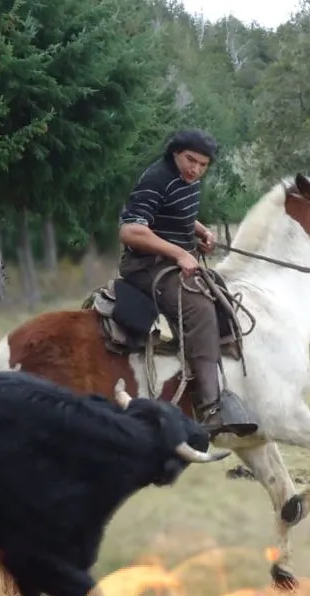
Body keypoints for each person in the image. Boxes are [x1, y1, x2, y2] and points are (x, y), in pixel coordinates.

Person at [118, 127, 255, 438]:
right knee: (199, 309)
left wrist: (200, 232)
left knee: (220, 294)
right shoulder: (157, 177)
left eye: (203, 165)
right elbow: (130, 231)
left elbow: (174, 213)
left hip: (170, 260)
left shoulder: (186, 180)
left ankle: (224, 374)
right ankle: (210, 408)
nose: (196, 169)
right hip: (144, 266)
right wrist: (180, 253)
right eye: (190, 160)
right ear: (175, 153)